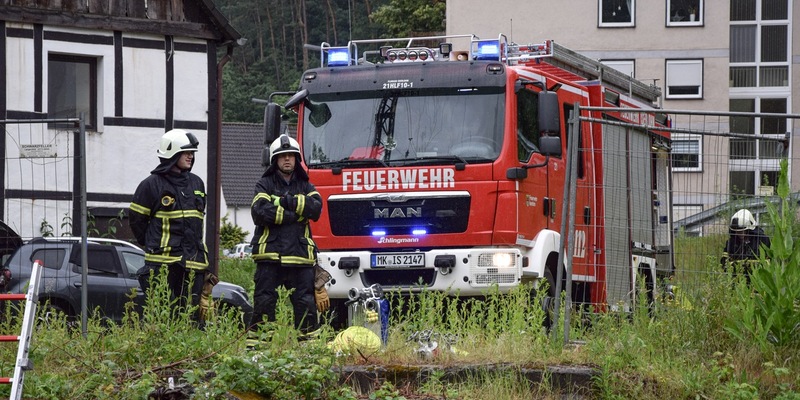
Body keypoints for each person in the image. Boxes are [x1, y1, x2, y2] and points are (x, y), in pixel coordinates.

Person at [129, 129, 210, 323]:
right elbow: (136, 221)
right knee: (161, 315)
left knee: (191, 318)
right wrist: (152, 243)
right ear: (171, 153)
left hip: (193, 262)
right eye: (186, 152)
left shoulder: (197, 183)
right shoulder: (151, 185)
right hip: (162, 262)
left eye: (192, 153)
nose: (190, 156)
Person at [250, 134, 323, 333]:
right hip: (270, 254)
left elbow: (316, 209)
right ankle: (261, 348)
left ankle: (308, 350)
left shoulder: (306, 185)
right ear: (275, 160)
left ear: (297, 159)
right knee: (264, 301)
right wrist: (297, 213)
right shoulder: (264, 184)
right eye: (283, 156)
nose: (287, 159)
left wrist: (283, 202)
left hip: (300, 255)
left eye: (291, 155)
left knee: (305, 303)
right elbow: (259, 212)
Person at [720, 208, 771, 285]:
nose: (738, 233)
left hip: (759, 283)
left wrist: (743, 264)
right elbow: (724, 263)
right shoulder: (731, 243)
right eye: (736, 231)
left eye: (741, 230)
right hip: (737, 283)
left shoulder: (762, 241)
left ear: (750, 229)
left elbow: (769, 263)